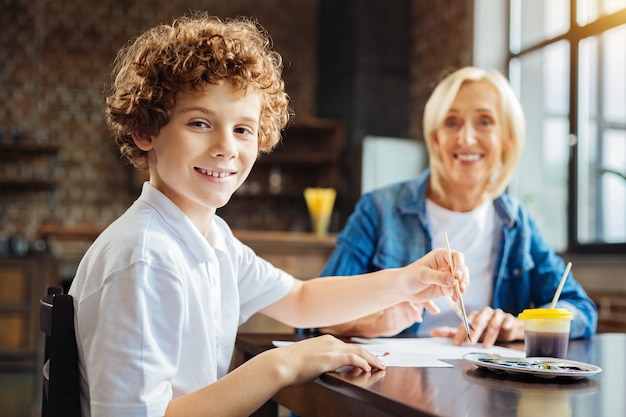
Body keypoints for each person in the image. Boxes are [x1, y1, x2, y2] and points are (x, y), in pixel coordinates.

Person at [67, 13, 470, 417]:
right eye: (200, 122)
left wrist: (407, 280)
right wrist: (282, 364)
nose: (226, 147)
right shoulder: (144, 258)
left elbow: (300, 299)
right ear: (144, 130)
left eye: (243, 129)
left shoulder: (212, 240)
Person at [317, 66, 597, 346]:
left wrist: (518, 325)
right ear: (436, 138)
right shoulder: (379, 210)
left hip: (489, 384)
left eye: (485, 121)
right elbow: (319, 311)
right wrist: (375, 321)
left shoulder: (516, 222)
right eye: (452, 122)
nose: (466, 138)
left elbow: (581, 309)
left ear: (506, 138)